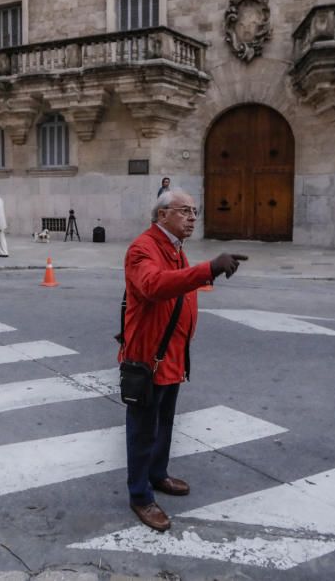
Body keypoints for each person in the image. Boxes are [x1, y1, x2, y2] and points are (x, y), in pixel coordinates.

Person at [119, 188, 247, 532]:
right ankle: (140, 496)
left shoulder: (175, 248)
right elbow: (154, 285)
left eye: (195, 212)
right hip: (148, 358)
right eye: (184, 211)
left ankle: (157, 475)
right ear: (162, 215)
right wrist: (208, 269)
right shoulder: (143, 248)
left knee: (164, 423)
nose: (192, 218)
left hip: (171, 357)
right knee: (143, 430)